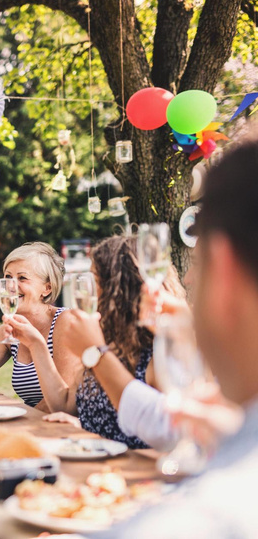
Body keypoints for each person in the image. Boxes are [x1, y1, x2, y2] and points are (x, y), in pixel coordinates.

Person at [85, 131, 258, 538]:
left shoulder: (214, 516)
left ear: (225, 267)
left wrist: (93, 354)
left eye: (199, 264)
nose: (189, 278)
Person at [7, 235, 185, 448]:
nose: (87, 291)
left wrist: (96, 351)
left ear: (118, 286)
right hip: (92, 465)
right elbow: (64, 405)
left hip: (135, 474)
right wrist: (36, 345)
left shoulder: (159, 348)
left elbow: (174, 433)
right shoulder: (108, 339)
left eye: (95, 279)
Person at [0, 242, 80, 409]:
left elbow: (66, 398)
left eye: (22, 278)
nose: (11, 286)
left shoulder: (65, 321)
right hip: (34, 423)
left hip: (65, 427)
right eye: (8, 277)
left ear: (47, 288)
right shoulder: (11, 327)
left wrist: (20, 416)